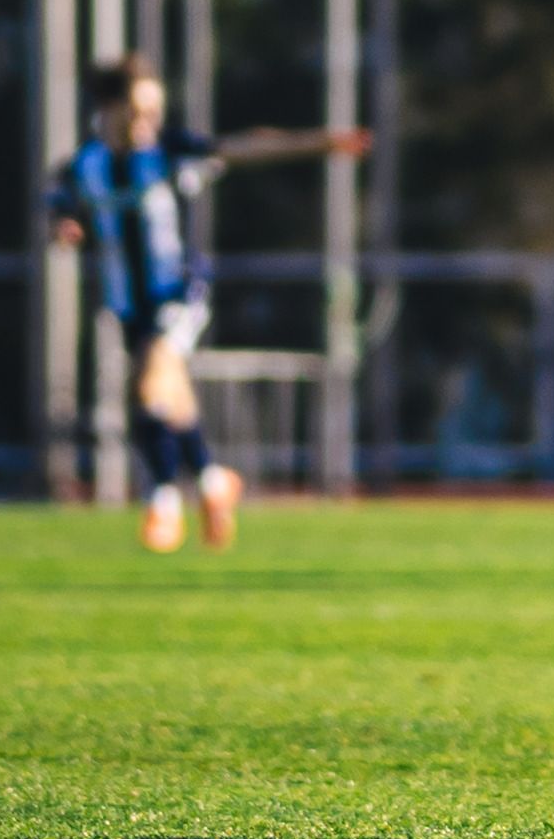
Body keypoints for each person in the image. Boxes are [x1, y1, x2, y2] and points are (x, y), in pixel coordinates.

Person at [43, 54, 367, 553]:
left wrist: (318, 142)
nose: (146, 121)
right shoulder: (84, 165)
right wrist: (63, 228)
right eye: (136, 110)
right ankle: (215, 484)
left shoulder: (169, 153)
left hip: (178, 293)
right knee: (169, 400)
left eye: (153, 111)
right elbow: (59, 205)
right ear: (108, 108)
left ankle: (165, 503)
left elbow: (244, 145)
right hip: (128, 305)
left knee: (148, 388)